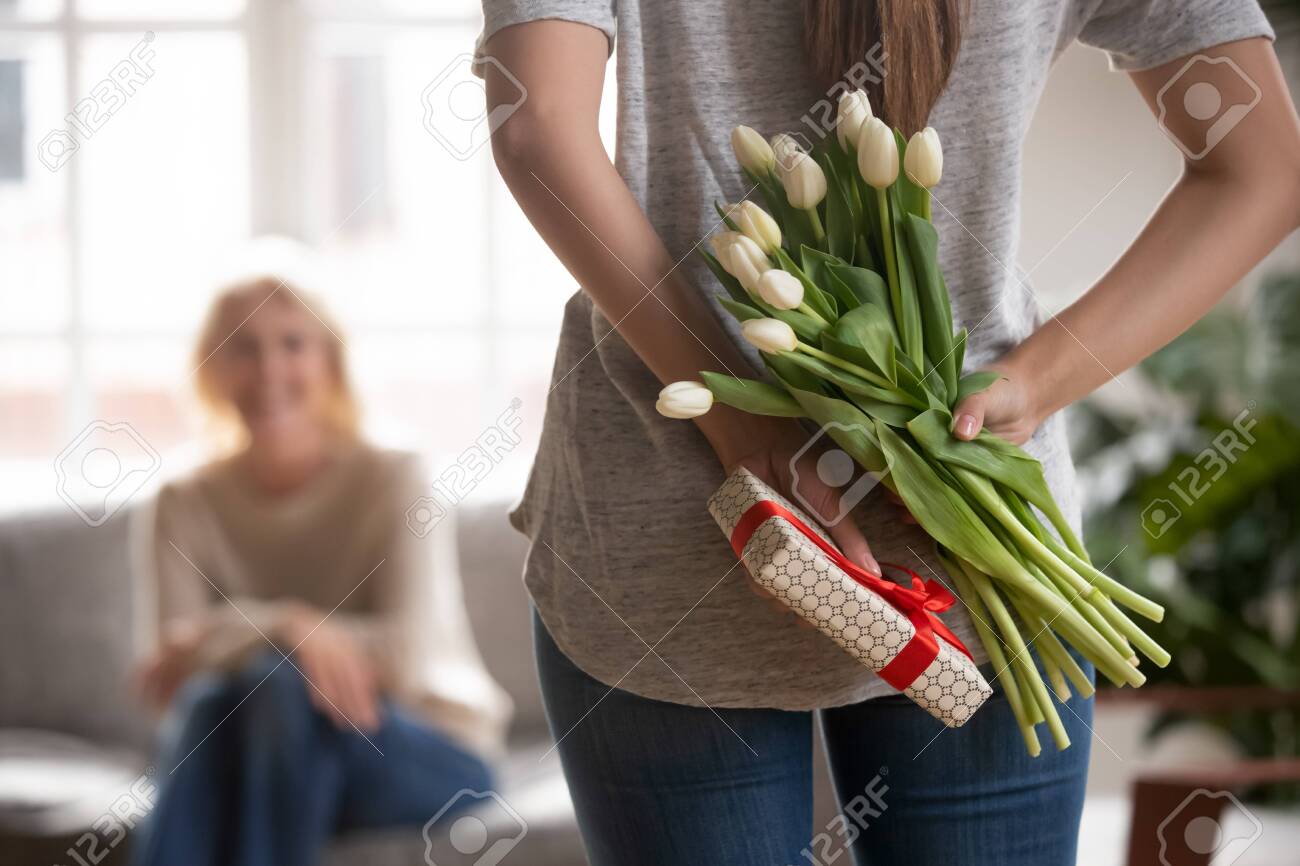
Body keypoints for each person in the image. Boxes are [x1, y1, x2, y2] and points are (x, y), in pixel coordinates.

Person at [480, 0, 1300, 863]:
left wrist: (738, 424)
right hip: (984, 538)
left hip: (677, 520)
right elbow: (1265, 169)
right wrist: (1031, 385)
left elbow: (535, 126)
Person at [129, 276, 511, 866]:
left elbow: (404, 659)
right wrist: (286, 625)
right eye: (243, 346)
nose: (269, 370)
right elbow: (169, 677)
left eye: (292, 343)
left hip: (423, 751)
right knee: (214, 705)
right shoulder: (182, 501)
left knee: (274, 684)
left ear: (330, 361)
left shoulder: (394, 477)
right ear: (213, 368)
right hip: (265, 755)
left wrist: (251, 640)